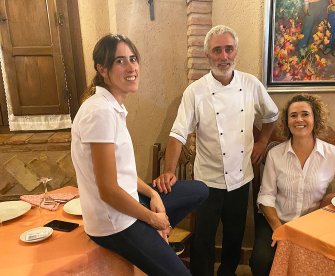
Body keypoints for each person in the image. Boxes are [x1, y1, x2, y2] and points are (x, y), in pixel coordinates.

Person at [71, 34, 208, 276]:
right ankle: (153, 238)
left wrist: (153, 194)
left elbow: (122, 174)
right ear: (101, 69)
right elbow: (108, 189)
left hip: (128, 202)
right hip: (115, 222)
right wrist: (152, 219)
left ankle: (155, 240)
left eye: (133, 59)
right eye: (120, 61)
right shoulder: (100, 112)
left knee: (198, 190)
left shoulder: (112, 107)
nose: (132, 67)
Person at [152, 25, 279, 276]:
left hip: (241, 179)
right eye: (217, 51)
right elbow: (178, 133)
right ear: (207, 56)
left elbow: (272, 115)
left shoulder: (251, 84)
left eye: (228, 49)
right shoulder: (195, 91)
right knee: (203, 240)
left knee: (234, 237)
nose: (224, 56)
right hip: (207, 181)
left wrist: (263, 141)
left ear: (236, 52)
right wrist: (168, 170)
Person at [249, 94, 335, 276]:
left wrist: (330, 198)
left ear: (315, 119)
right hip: (278, 221)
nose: (299, 119)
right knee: (261, 261)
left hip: (314, 226)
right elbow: (266, 196)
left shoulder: (331, 154)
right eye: (293, 115)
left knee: (326, 263)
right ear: (287, 122)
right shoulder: (275, 154)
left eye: (305, 114)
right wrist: (278, 228)